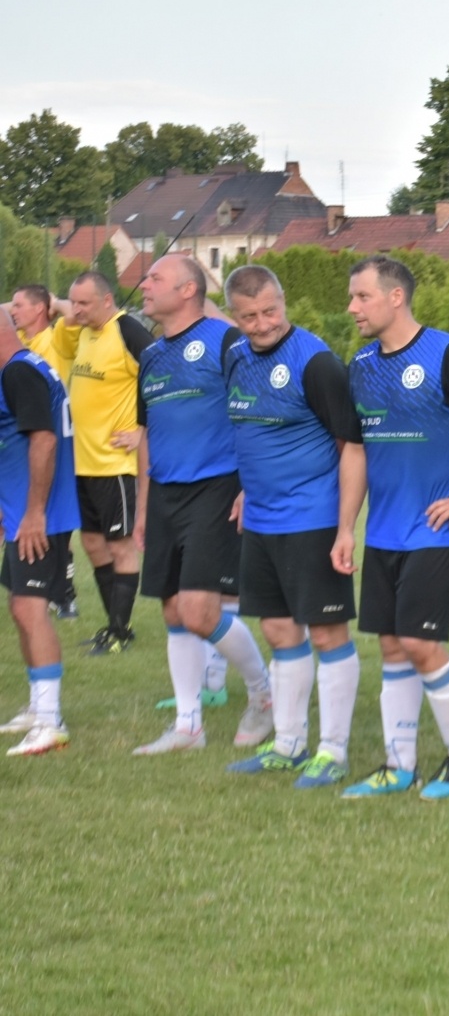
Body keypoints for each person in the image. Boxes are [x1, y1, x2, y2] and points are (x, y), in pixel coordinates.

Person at [337, 256, 449, 800]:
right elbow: (355, 450)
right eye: (351, 297)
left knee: (419, 641)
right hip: (382, 530)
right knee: (392, 646)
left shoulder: (447, 353)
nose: (352, 307)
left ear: (396, 298)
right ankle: (398, 766)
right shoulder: (361, 364)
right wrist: (346, 528)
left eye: (362, 296)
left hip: (433, 528)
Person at [215, 266, 364, 788]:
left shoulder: (316, 362)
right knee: (279, 630)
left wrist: (345, 527)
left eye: (270, 311)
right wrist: (246, 489)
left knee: (326, 631)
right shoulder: (235, 356)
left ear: (283, 301)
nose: (262, 324)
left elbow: (352, 447)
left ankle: (334, 751)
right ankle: (289, 744)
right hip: (260, 519)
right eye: (248, 316)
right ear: (233, 315)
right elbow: (251, 431)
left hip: (312, 518)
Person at [130, 255, 274, 755]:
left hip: (216, 486)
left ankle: (263, 692)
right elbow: (147, 434)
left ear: (188, 289)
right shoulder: (151, 355)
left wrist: (250, 484)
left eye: (155, 278)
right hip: (165, 491)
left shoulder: (227, 341)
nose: (144, 285)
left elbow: (259, 412)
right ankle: (188, 726)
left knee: (198, 609)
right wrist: (144, 505)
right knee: (173, 609)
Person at [53, 273, 153, 655]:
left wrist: (142, 429)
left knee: (120, 546)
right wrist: (69, 310)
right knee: (93, 544)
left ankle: (119, 632)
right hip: (82, 464)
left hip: (114, 465)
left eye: (84, 303)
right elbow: (57, 310)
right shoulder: (81, 331)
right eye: (74, 302)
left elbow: (161, 376)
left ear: (108, 300)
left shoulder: (128, 331)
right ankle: (114, 626)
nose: (76, 310)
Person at [0, 308, 79, 754]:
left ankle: (50, 720)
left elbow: (44, 441)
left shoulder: (19, 372)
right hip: (21, 512)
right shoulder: (25, 367)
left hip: (39, 517)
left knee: (31, 609)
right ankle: (36, 707)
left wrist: (34, 512)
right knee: (20, 607)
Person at [8, 284, 79, 621]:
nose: (12, 310)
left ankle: (64, 596)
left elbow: (74, 315)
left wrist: (55, 302)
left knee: (55, 528)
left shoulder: (54, 339)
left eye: (19, 304)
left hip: (52, 444)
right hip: (28, 445)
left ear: (39, 309)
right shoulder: (21, 346)